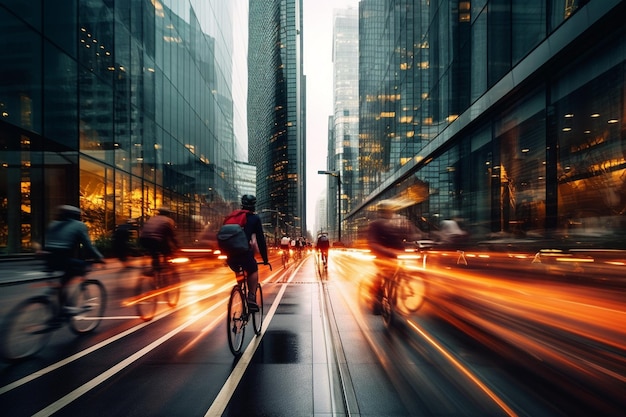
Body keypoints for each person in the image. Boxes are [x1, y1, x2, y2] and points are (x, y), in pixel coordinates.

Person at [42, 205, 105, 311]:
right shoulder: (79, 225)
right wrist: (99, 258)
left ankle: (60, 307)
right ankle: (65, 308)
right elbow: (88, 245)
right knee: (82, 268)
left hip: (49, 258)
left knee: (61, 284)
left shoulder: (53, 224)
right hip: (64, 258)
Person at [366, 200, 422, 313]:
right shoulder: (375, 225)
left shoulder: (397, 222)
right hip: (381, 257)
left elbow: (405, 237)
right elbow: (372, 242)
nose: (389, 213)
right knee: (381, 276)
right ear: (382, 212)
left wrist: (414, 243)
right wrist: (385, 250)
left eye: (390, 211)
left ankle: (393, 297)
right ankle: (376, 299)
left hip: (395, 256)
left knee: (397, 275)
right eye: (387, 211)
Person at [225, 195, 269, 312]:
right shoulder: (254, 218)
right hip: (244, 253)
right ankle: (251, 298)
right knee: (253, 269)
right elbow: (260, 240)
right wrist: (265, 259)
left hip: (230, 255)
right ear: (254, 205)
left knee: (237, 267)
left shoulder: (232, 216)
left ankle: (239, 290)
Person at [139, 207, 179, 271]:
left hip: (143, 239)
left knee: (154, 253)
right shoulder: (168, 220)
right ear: (168, 214)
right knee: (166, 251)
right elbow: (171, 235)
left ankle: (155, 265)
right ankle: (163, 264)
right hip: (155, 240)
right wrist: (176, 246)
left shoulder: (152, 219)